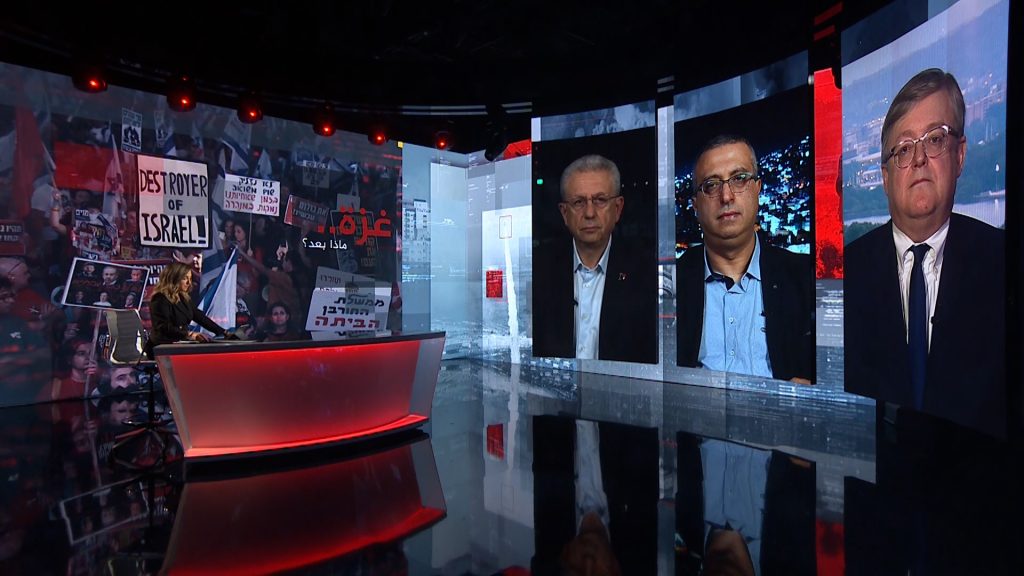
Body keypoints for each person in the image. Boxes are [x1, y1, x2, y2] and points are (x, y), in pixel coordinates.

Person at [844, 68, 1005, 437]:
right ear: (885, 177)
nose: (918, 158)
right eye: (903, 148)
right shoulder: (843, 276)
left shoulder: (1003, 262)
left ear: (960, 154)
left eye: (934, 140)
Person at [676, 135, 814, 382]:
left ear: (758, 188)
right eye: (711, 185)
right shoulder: (670, 285)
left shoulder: (805, 278)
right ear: (695, 205)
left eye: (739, 179)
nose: (726, 196)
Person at [533, 154, 656, 363]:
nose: (590, 213)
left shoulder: (647, 272)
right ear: (564, 213)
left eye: (600, 200)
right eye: (579, 202)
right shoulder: (539, 270)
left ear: (617, 208)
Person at [144, 261, 231, 358]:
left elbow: (200, 317)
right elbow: (163, 327)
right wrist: (190, 334)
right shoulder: (159, 298)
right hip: (161, 348)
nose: (189, 283)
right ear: (174, 278)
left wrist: (223, 332)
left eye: (190, 278)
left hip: (179, 345)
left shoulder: (184, 298)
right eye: (185, 278)